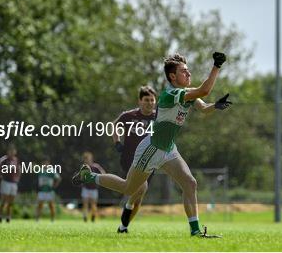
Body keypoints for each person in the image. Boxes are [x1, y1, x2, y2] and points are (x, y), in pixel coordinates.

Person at [73, 52, 231, 237]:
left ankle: (195, 231)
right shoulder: (171, 94)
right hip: (152, 148)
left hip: (169, 149)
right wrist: (216, 66)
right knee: (128, 188)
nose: (188, 74)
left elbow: (204, 108)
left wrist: (216, 106)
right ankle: (90, 176)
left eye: (188, 71)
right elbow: (204, 91)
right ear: (172, 76)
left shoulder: (187, 94)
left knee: (190, 183)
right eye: (184, 71)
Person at [112, 85, 157, 233]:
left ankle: (123, 227)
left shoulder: (159, 117)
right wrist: (117, 141)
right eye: (146, 100)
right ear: (139, 101)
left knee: (139, 198)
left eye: (152, 100)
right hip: (129, 159)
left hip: (150, 160)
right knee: (142, 187)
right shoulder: (129, 116)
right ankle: (127, 205)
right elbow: (114, 126)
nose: (149, 103)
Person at [0, 144, 21, 223]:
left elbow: (19, 169)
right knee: (4, 200)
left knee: (11, 202)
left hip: (13, 183)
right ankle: (0, 216)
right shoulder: (4, 159)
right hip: (6, 182)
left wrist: (18, 178)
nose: (11, 152)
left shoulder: (16, 160)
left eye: (13, 151)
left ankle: (8, 217)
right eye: (10, 151)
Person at [80, 152, 105, 222]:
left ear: (91, 159)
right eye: (85, 159)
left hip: (94, 189)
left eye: (88, 159)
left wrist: (99, 180)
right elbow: (81, 177)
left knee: (93, 204)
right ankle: (85, 217)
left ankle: (93, 216)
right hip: (86, 188)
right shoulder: (83, 167)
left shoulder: (96, 166)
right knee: (85, 204)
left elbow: (103, 173)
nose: (86, 160)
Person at [36, 158, 61, 222]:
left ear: (48, 164)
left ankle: (53, 219)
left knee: (51, 205)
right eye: (44, 163)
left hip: (50, 191)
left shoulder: (52, 171)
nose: (45, 164)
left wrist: (54, 186)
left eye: (46, 163)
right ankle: (38, 219)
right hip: (41, 191)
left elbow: (58, 178)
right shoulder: (40, 171)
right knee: (40, 205)